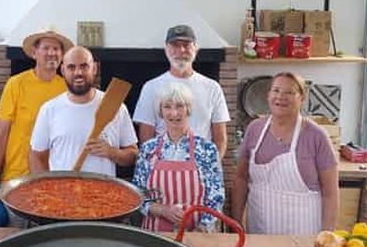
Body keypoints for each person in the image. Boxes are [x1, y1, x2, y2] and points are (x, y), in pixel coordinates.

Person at [0, 27, 72, 225]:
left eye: (56, 49)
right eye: (46, 48)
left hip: (54, 181)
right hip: (16, 179)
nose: (52, 53)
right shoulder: (16, 84)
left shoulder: (67, 88)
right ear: (34, 52)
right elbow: (1, 135)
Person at [231, 72, 339, 235]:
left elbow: (330, 192)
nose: (281, 97)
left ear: (302, 98)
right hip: (260, 227)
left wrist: (327, 234)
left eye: (290, 92)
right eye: (276, 90)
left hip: (304, 230)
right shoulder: (255, 129)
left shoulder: (316, 136)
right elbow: (241, 178)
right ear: (268, 95)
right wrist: (236, 222)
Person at [29, 46, 137, 175]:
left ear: (94, 68)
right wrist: (47, 187)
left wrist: (113, 152)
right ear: (63, 70)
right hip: (63, 188)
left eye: (84, 66)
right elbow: (36, 156)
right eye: (71, 67)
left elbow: (133, 154)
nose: (78, 72)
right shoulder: (49, 110)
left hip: (104, 187)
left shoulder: (116, 107)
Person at [132, 83, 224, 232]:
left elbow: (216, 196)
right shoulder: (148, 149)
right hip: (155, 235)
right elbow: (137, 196)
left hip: (197, 234)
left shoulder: (207, 149)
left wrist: (202, 229)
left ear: (189, 109)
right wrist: (163, 210)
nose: (174, 113)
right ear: (161, 112)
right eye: (167, 107)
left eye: (180, 106)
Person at [133, 24, 229, 160]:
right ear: (166, 49)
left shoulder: (212, 88)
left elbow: (220, 139)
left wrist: (211, 166)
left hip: (201, 166)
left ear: (196, 48)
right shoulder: (151, 88)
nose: (181, 50)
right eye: (175, 45)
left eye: (186, 45)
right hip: (163, 166)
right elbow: (146, 139)